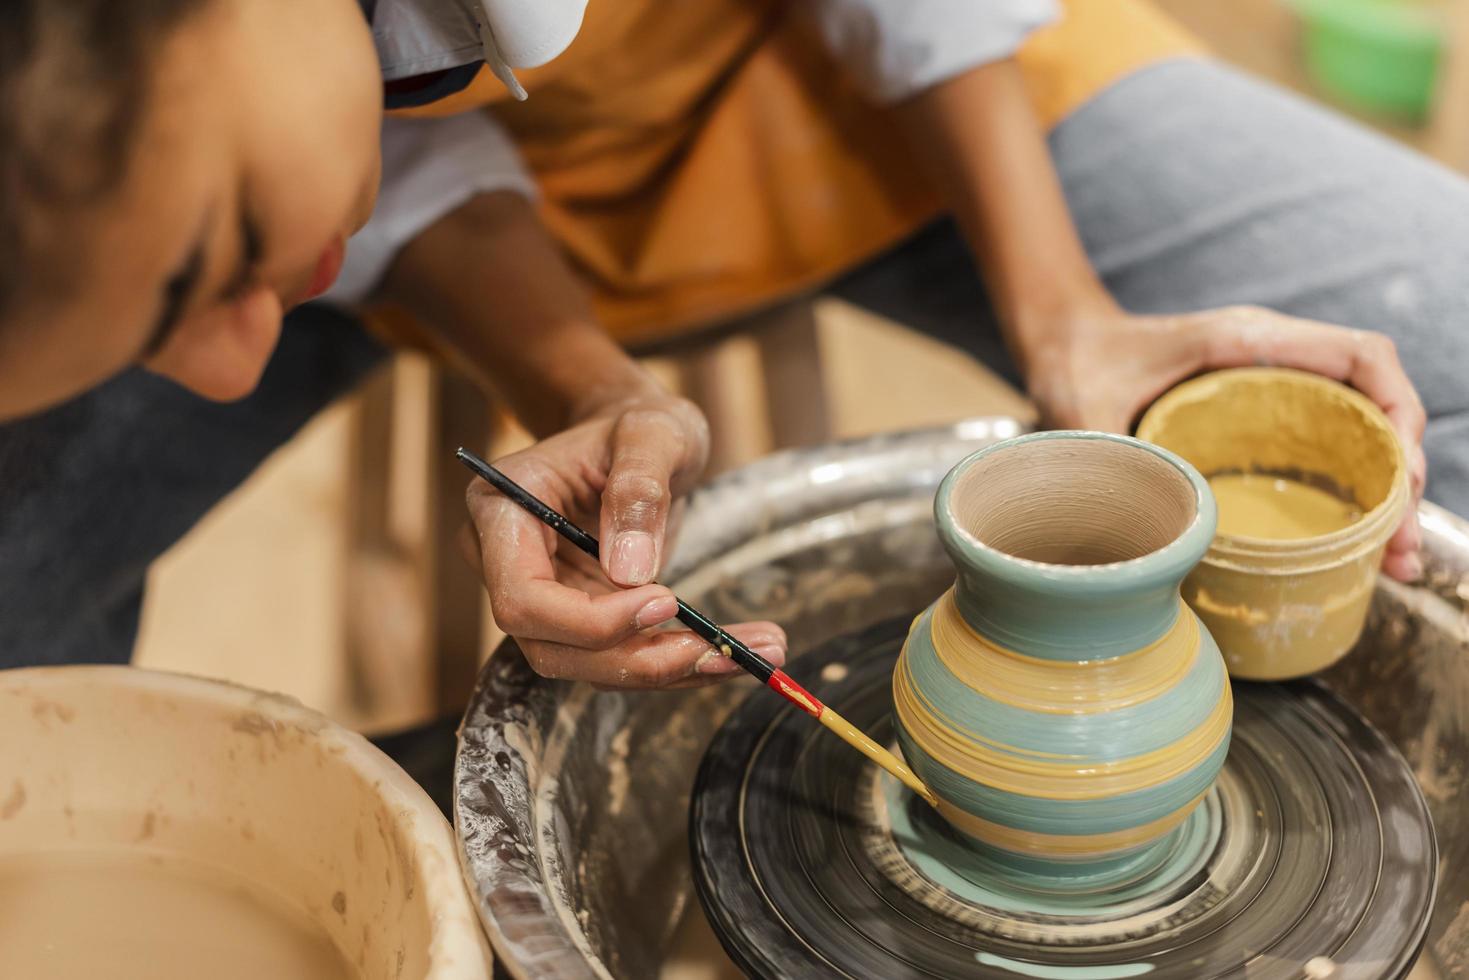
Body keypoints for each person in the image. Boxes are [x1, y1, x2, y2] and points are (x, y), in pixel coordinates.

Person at [0, 0, 1455, 689]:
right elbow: (378, 112)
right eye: (155, 315)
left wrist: (1063, 315)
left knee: (1435, 326)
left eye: (222, 245)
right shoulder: (241, 129)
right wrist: (589, 385)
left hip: (808, 68)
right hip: (457, 173)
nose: (230, 360)